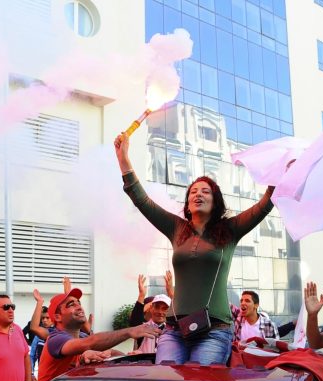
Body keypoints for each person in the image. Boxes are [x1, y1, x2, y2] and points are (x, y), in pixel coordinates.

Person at [115, 132, 274, 365]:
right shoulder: (177, 228)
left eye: (205, 191)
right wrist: (123, 159)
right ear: (188, 204)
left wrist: (278, 178)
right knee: (166, 380)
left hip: (214, 330)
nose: (198, 194)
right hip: (174, 329)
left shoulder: (230, 229)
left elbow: (263, 206)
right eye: (193, 192)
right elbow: (142, 201)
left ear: (215, 201)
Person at [37, 288, 161, 381]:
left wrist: (131, 358)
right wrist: (129, 332)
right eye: (71, 305)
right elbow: (89, 343)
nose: (79, 307)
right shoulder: (56, 339)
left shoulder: (82, 336)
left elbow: (109, 352)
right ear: (57, 317)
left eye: (79, 303)